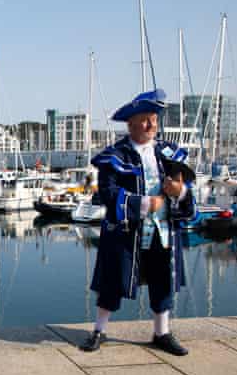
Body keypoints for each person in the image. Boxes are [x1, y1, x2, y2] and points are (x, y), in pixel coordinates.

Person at [81, 89, 197, 356]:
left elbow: (188, 190)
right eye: (145, 119)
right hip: (125, 233)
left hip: (163, 230)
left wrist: (178, 192)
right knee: (112, 281)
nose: (151, 124)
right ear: (130, 123)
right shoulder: (115, 156)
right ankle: (99, 330)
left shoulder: (170, 153)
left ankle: (162, 333)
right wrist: (143, 204)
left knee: (162, 279)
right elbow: (107, 193)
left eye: (154, 119)